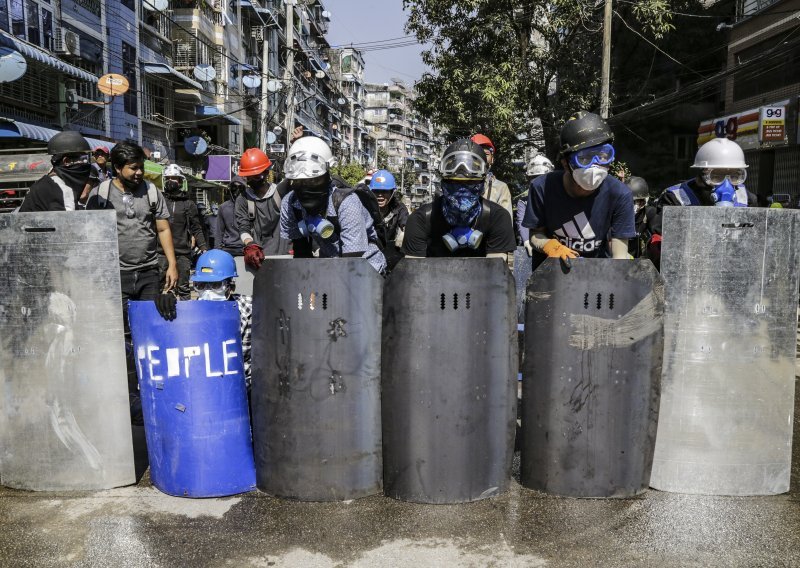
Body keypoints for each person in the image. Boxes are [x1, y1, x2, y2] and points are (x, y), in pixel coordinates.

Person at [85, 141, 178, 421]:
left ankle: (154, 392)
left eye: (141, 167)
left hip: (149, 273)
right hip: (115, 276)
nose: (139, 173)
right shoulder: (101, 194)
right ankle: (126, 397)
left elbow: (162, 227)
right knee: (119, 338)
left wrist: (172, 264)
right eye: (133, 168)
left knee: (150, 334)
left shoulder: (151, 192)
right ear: (117, 168)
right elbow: (91, 234)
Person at [522, 111, 636, 269]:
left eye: (603, 155)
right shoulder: (542, 188)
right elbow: (535, 235)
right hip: (550, 276)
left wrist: (619, 279)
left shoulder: (620, 194)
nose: (595, 165)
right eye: (584, 158)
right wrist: (549, 245)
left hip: (596, 275)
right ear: (565, 163)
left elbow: (620, 256)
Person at [279, 136, 386, 273]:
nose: (305, 187)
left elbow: (352, 261)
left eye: (312, 181)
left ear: (327, 176)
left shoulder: (346, 203)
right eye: (299, 181)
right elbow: (301, 253)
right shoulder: (290, 203)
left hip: (367, 271)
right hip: (330, 270)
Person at [646, 137, 756, 267]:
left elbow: (755, 241)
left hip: (733, 268)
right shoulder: (675, 199)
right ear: (700, 177)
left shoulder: (746, 198)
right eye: (716, 176)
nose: (726, 185)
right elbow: (663, 246)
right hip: (690, 269)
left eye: (734, 176)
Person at [401, 138, 516, 259]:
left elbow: (496, 271)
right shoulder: (421, 219)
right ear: (444, 183)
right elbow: (413, 272)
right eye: (454, 183)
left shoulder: (497, 217)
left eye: (470, 183)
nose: (462, 191)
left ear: (482, 184)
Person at [156, 249, 253, 388]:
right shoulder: (190, 314)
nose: (207, 292)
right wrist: (162, 308)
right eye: (201, 286)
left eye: (215, 285)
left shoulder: (248, 309)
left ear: (230, 287)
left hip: (240, 390)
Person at [158, 164, 208, 299]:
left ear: (180, 182)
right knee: (158, 287)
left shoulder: (189, 204)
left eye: (174, 178)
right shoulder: (160, 201)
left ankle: (185, 317)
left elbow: (196, 228)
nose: (171, 181)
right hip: (160, 252)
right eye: (168, 178)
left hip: (182, 253)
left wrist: (204, 248)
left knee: (184, 289)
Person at [235, 147, 288, 273]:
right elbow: (243, 228)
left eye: (256, 176)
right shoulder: (243, 199)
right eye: (249, 177)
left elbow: (295, 174)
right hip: (259, 260)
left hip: (285, 258)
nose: (252, 180)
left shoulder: (280, 192)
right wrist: (250, 245)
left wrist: (296, 142)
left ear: (265, 173)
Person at [18, 131, 93, 212]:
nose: (86, 163)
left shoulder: (46, 182)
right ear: (66, 161)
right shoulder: (63, 190)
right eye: (83, 159)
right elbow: (69, 223)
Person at [369, 169, 409, 269]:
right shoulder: (365, 208)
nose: (380, 196)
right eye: (376, 191)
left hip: (391, 254)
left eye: (384, 191)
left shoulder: (399, 208)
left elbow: (406, 222)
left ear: (392, 192)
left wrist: (405, 232)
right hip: (370, 254)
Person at [517, 155, 554, 256]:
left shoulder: (557, 199)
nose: (538, 182)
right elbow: (521, 222)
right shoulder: (523, 201)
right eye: (534, 178)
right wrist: (526, 241)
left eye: (542, 178)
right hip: (530, 243)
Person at [471, 133, 513, 218]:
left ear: (492, 159)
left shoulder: (500, 188)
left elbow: (505, 223)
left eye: (486, 154)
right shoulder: (457, 184)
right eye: (476, 153)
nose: (481, 157)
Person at [215, 176, 246, 257]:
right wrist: (217, 252)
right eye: (234, 187)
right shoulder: (223, 208)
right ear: (230, 188)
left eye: (240, 187)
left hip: (245, 248)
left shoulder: (250, 205)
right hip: (228, 249)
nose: (237, 190)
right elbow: (219, 232)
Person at [627, 176, 651, 259]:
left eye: (641, 201)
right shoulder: (615, 214)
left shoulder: (647, 214)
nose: (636, 205)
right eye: (629, 201)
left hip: (636, 261)